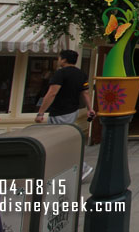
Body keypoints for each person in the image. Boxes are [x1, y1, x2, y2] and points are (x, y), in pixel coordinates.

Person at [35, 50, 96, 180]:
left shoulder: (60, 74)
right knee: (60, 141)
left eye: (59, 58)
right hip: (73, 111)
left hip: (61, 111)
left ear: (64, 60)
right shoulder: (81, 74)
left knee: (60, 142)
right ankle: (63, 169)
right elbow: (85, 93)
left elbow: (52, 93)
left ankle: (82, 167)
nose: (58, 60)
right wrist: (90, 108)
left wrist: (41, 112)